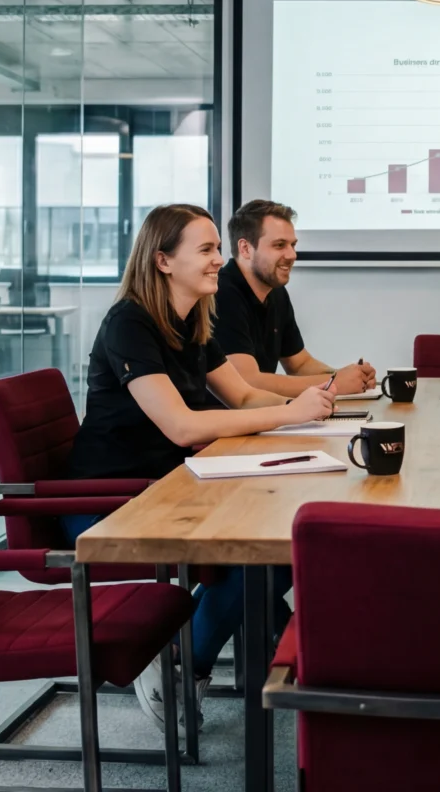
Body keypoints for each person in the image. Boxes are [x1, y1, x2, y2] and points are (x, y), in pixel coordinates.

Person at [61, 203, 334, 728]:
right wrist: (288, 411)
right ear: (163, 261)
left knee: (279, 549)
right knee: (251, 560)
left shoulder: (193, 321)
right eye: (206, 250)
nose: (218, 261)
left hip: (171, 487)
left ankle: (221, 654)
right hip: (111, 503)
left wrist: (309, 410)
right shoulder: (130, 324)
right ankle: (183, 667)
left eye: (216, 249)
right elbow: (181, 427)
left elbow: (245, 396)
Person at [214, 199, 377, 396]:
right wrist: (333, 383)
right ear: (245, 249)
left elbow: (299, 364)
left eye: (293, 245)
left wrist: (350, 375)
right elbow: (248, 382)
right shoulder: (221, 293)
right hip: (222, 418)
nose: (292, 255)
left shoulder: (275, 291)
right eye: (280, 245)